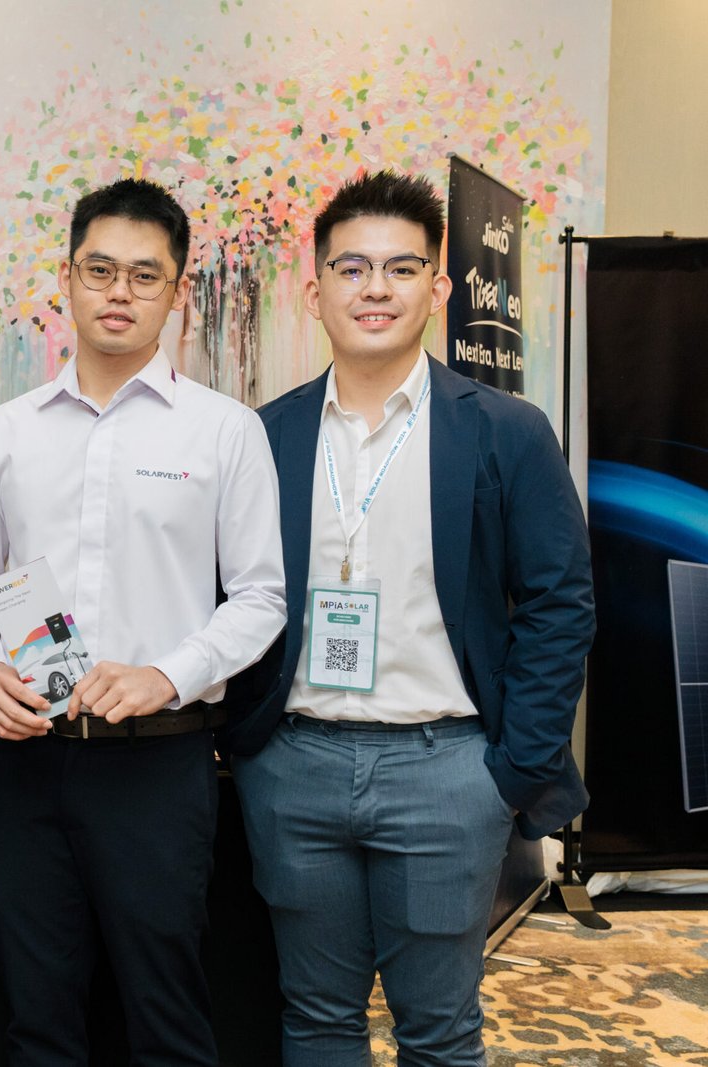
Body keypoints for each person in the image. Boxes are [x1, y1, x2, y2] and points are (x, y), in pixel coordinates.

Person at [226, 170, 595, 1065]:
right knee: (315, 1019)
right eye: (351, 268)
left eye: (401, 268)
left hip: (448, 770)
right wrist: (249, 746)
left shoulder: (505, 430)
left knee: (439, 1030)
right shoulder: (263, 436)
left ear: (439, 288)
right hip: (295, 766)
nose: (376, 288)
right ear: (315, 291)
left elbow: (560, 601)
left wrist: (512, 770)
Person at [0, 177, 287, 1065]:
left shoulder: (225, 431)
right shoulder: (9, 432)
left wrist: (165, 674)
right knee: (38, 1020)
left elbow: (261, 597)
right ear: (68, 278)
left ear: (177, 291)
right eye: (99, 270)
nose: (118, 292)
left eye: (144, 274)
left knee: (167, 1021)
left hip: (157, 764)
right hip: (26, 760)